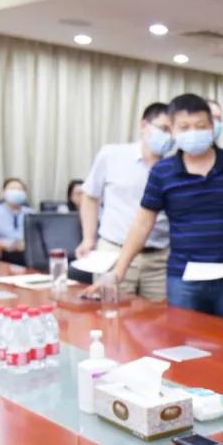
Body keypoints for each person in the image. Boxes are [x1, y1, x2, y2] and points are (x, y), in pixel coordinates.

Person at [95, 93, 223, 322]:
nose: (193, 132)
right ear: (173, 131)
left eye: (200, 126)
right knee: (182, 338)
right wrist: (119, 270)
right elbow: (143, 223)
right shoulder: (162, 172)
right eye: (184, 127)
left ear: (212, 127)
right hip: (184, 279)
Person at [76, 102, 173, 301]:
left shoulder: (174, 166)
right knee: (111, 312)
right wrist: (88, 238)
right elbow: (90, 196)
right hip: (114, 252)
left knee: (159, 317)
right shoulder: (112, 155)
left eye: (172, 131)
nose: (168, 136)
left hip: (158, 258)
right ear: (144, 125)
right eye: (163, 129)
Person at [0, 178, 34, 265]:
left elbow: (34, 237)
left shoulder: (31, 213)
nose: (16, 192)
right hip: (4, 253)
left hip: (27, 252)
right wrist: (12, 246)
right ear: (3, 192)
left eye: (20, 190)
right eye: (12, 189)